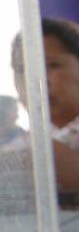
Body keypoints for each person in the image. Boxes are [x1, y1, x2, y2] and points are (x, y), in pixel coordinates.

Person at [13, 18, 79, 198]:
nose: (37, 79)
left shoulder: (30, 147)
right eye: (22, 69)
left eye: (51, 65)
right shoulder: (22, 140)